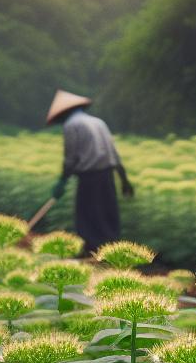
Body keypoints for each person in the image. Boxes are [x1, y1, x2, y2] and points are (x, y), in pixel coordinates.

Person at [46, 89, 134, 254]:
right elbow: (113, 153)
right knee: (107, 215)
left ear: (63, 113)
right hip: (107, 176)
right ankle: (110, 253)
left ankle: (92, 254)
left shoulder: (71, 125)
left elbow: (70, 158)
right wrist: (124, 179)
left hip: (89, 178)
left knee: (88, 217)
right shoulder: (98, 122)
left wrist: (62, 181)